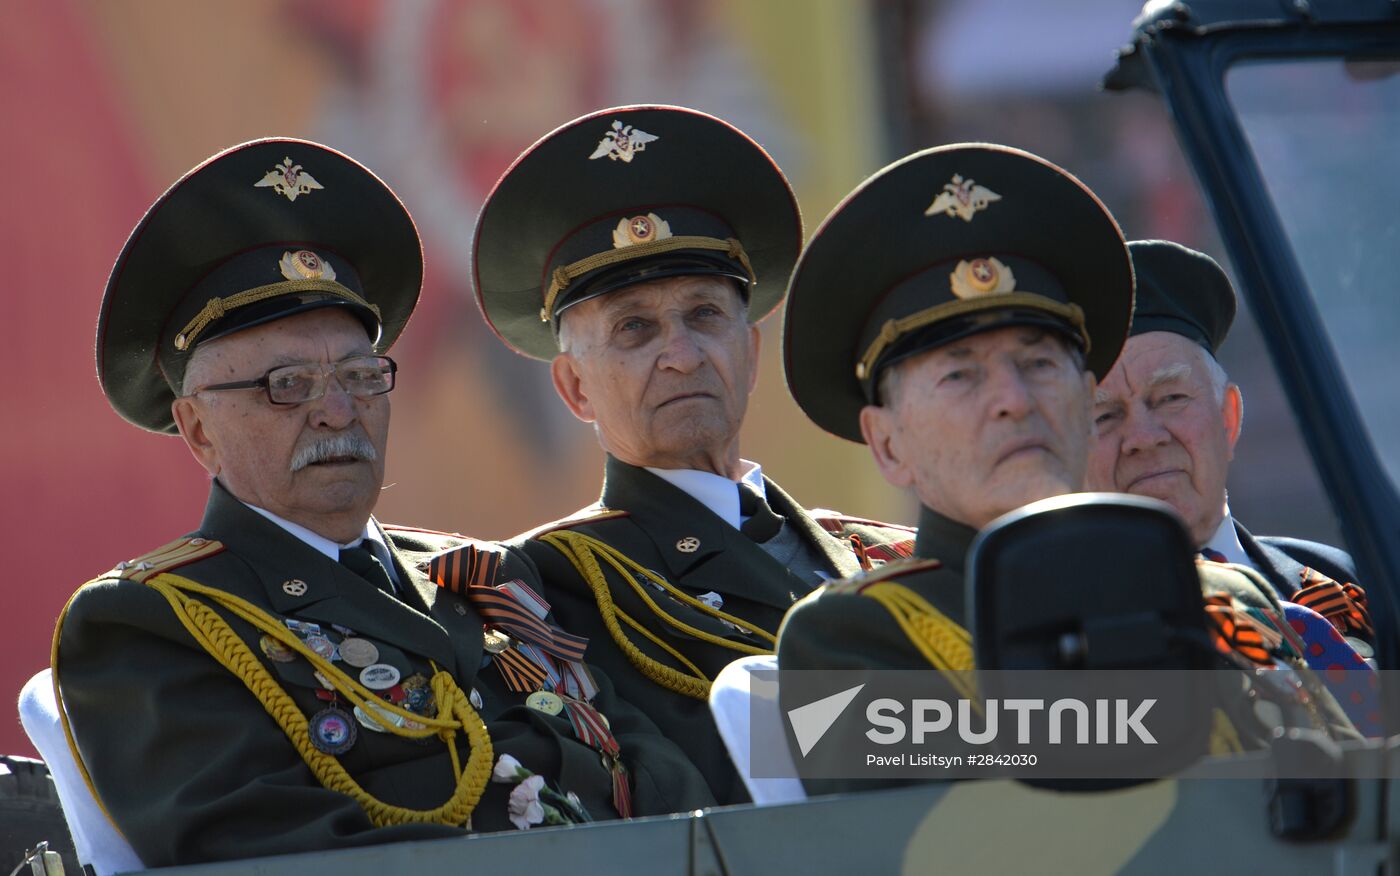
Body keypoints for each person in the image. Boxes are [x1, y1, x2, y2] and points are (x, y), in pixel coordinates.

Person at [54, 138, 711, 868]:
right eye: (288, 385)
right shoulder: (154, 622)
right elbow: (276, 854)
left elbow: (654, 771)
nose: (338, 410)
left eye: (362, 376)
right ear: (199, 429)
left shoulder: (487, 574)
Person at [774, 144, 1359, 791]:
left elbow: (1356, 818)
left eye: (1039, 363)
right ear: (887, 444)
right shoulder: (838, 641)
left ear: (1085, 401)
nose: (1016, 401)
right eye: (962, 375)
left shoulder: (1231, 600)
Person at [465, 105, 914, 803]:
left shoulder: (890, 555)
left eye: (704, 315)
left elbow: (1108, 736)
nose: (680, 356)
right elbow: (648, 790)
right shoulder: (542, 585)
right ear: (575, 386)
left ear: (751, 350)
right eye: (635, 328)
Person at [1087, 240, 1371, 647]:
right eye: (1104, 415)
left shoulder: (1343, 581)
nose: (1144, 438)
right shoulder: (1054, 632)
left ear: (1228, 418)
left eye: (1171, 398)